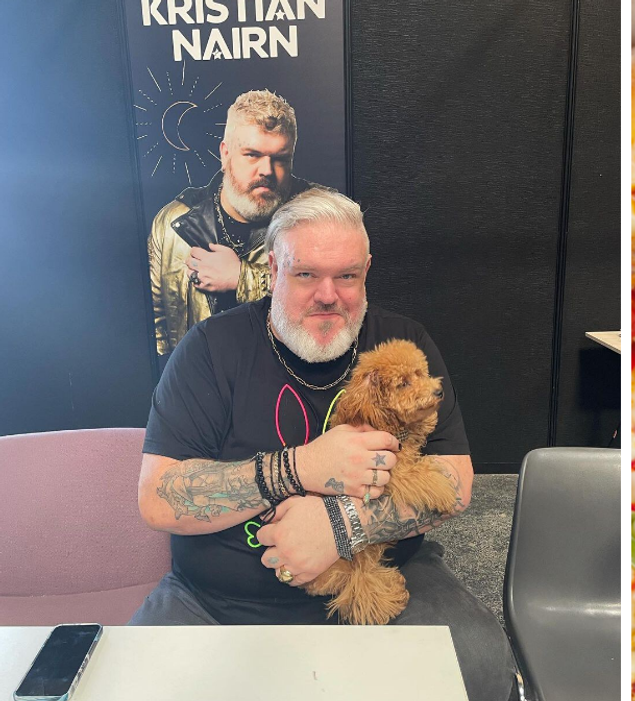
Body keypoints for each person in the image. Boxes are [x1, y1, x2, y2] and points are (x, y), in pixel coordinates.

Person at [133, 188, 515, 700]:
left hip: (387, 580)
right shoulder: (208, 351)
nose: (328, 295)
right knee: (133, 681)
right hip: (219, 601)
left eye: (347, 276)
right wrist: (299, 468)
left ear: (367, 270)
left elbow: (455, 480)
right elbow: (158, 498)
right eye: (306, 274)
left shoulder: (406, 342)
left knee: (484, 666)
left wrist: (340, 526)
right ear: (273, 268)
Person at [148, 89, 322, 364]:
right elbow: (160, 327)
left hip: (284, 391)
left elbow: (332, 304)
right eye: (252, 155)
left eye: (280, 159)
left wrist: (242, 279)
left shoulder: (321, 216)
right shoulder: (172, 222)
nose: (266, 170)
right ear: (225, 154)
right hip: (200, 389)